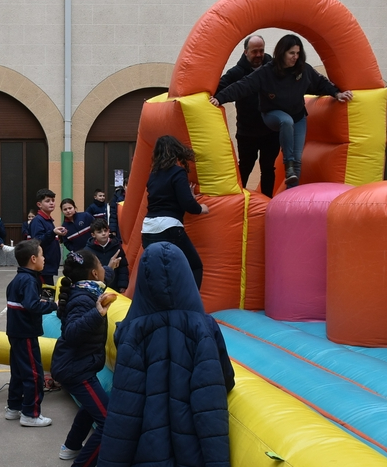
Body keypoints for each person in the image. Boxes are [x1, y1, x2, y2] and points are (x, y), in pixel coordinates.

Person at [96, 242, 236, 467]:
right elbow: (224, 380)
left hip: (148, 444)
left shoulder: (132, 331)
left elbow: (126, 397)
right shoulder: (203, 327)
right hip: (189, 448)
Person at [211, 34, 353, 187]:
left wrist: (337, 93)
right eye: (291, 53)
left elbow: (319, 83)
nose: (295, 57)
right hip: (261, 122)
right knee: (249, 161)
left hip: (287, 122)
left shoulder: (302, 69)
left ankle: (288, 190)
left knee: (286, 162)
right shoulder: (262, 72)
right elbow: (240, 87)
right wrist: (218, 98)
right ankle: (285, 165)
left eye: (297, 53)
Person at [51, 250, 118, 467]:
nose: (103, 269)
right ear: (93, 273)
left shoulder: (87, 288)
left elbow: (103, 275)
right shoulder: (84, 299)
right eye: (100, 265)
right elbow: (71, 332)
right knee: (109, 422)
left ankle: (71, 446)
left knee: (92, 407)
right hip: (76, 369)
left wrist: (110, 266)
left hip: (79, 365)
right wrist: (96, 313)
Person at [141, 135, 210, 291]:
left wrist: (187, 196)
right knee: (194, 266)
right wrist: (201, 208)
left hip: (148, 230)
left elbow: (163, 197)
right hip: (169, 227)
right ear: (176, 151)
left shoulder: (153, 175)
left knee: (160, 273)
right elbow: (187, 204)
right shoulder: (177, 172)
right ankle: (190, 301)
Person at [215, 35, 280, 197]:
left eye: (261, 51)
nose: (258, 55)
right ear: (245, 52)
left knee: (268, 167)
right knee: (245, 166)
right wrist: (214, 98)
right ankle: (238, 200)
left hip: (271, 131)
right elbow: (218, 88)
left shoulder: (273, 67)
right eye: (254, 51)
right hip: (247, 132)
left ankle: (267, 201)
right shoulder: (236, 73)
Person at [4, 239, 58, 427]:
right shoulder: (28, 280)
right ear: (33, 259)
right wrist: (53, 306)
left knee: (19, 371)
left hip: (15, 332)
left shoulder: (18, 279)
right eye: (42, 255)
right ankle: (31, 414)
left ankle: (14, 407)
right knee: (34, 374)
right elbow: (32, 305)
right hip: (25, 333)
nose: (45, 258)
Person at [29, 189, 68, 285]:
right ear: (39, 204)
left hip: (49, 267)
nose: (51, 203)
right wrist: (53, 232)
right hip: (43, 268)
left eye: (53, 200)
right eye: (47, 201)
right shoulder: (37, 220)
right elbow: (37, 241)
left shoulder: (48, 220)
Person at [85, 220, 128, 293]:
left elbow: (123, 266)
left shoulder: (116, 246)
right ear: (93, 235)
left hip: (115, 285)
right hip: (98, 287)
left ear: (109, 231)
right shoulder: (88, 250)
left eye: (105, 230)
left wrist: (122, 285)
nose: (103, 233)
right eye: (99, 232)